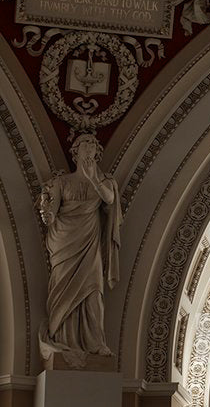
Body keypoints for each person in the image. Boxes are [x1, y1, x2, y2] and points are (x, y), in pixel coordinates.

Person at [37, 134, 121, 366]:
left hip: (89, 243)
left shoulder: (103, 180)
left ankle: (95, 342)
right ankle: (63, 337)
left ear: (97, 152)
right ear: (75, 151)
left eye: (94, 143)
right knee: (63, 289)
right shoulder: (61, 183)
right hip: (64, 242)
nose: (90, 146)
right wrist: (47, 213)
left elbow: (110, 199)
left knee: (93, 291)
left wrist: (93, 179)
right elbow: (51, 215)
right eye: (85, 142)